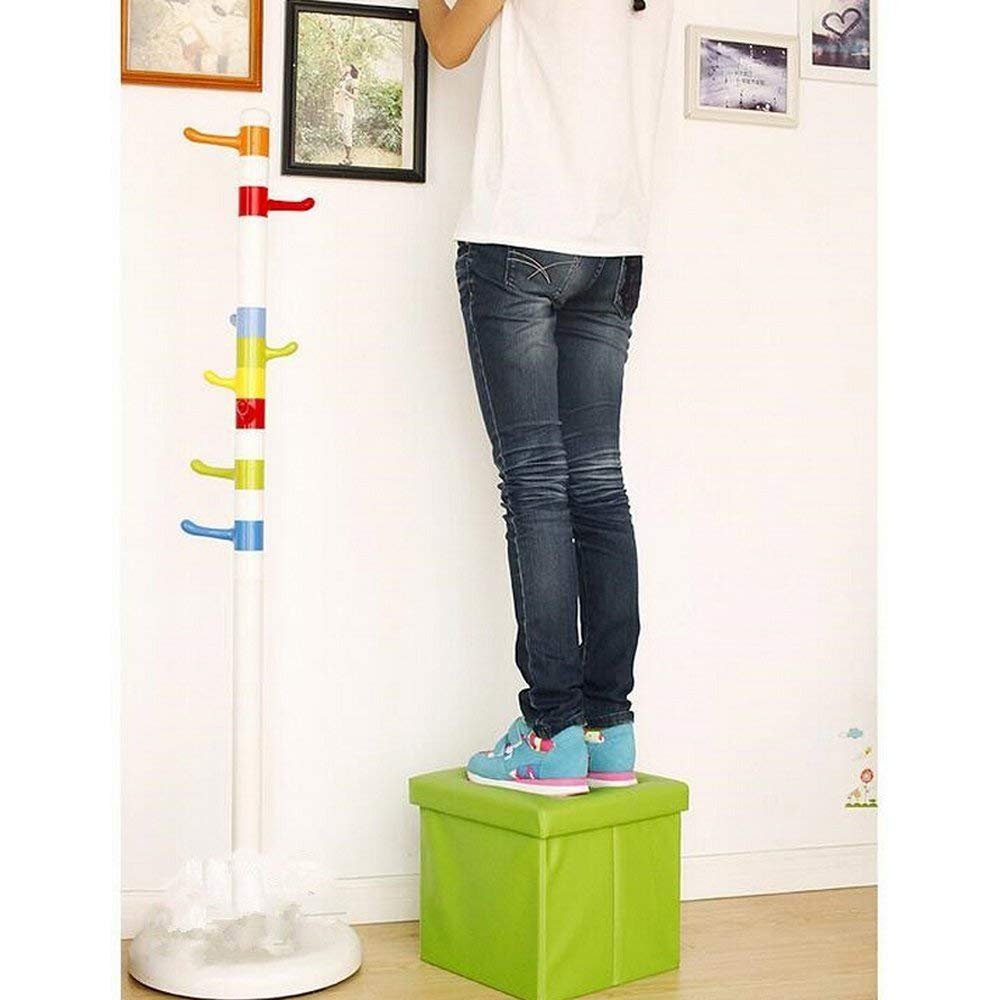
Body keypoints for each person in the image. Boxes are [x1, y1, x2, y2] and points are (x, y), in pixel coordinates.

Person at [419, 0, 674, 795]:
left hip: (522, 238)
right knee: (598, 484)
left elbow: (448, 44)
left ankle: (551, 731)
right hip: (614, 248)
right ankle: (607, 727)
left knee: (535, 484)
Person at [333, 64, 359, 165]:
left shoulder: (353, 81)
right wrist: (337, 92)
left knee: (346, 132)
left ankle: (348, 158)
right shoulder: (342, 81)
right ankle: (347, 156)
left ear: (351, 69)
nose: (344, 68)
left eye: (347, 66)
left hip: (348, 109)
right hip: (340, 108)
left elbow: (356, 97)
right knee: (341, 131)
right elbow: (338, 93)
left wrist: (345, 92)